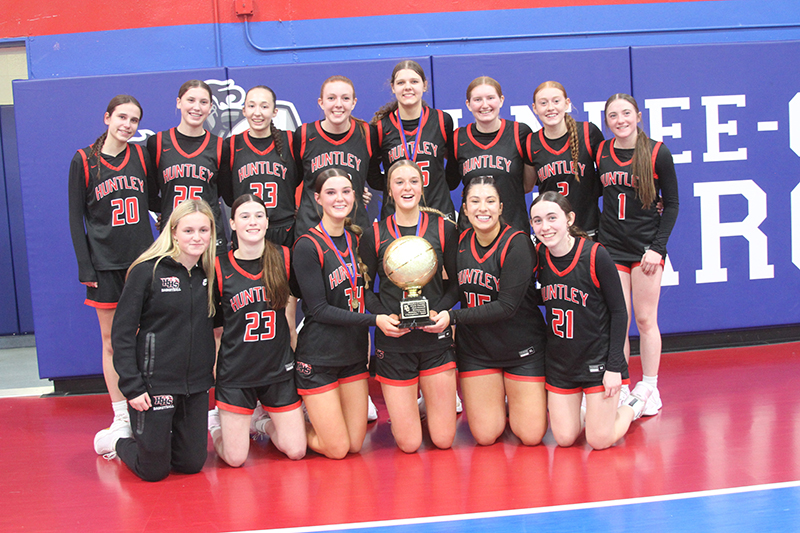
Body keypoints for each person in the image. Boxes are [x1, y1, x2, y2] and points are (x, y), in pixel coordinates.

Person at [94, 200, 217, 481]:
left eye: (203, 230)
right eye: (188, 231)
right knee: (153, 471)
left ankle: (160, 442)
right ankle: (115, 440)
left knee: (191, 464)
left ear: (212, 233)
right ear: (173, 232)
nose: (196, 237)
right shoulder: (147, 271)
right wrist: (133, 387)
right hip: (154, 385)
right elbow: (121, 335)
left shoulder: (209, 273)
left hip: (195, 386)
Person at [424, 176, 547, 446]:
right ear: (465, 209)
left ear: (501, 207)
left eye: (490, 201)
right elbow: (457, 288)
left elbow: (507, 306)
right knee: (485, 435)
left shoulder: (517, 243)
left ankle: (516, 399)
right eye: (475, 201)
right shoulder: (460, 241)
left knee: (530, 435)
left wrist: (451, 318)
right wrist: (434, 311)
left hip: (521, 348)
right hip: (478, 351)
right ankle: (500, 401)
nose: (483, 208)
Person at [69, 95, 159, 449]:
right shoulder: (84, 160)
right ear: (107, 117)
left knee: (146, 337)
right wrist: (84, 265)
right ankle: (120, 413)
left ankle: (150, 407)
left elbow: (156, 200)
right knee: (111, 343)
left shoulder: (140, 156)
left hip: (141, 263)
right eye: (122, 117)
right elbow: (76, 215)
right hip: (104, 265)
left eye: (134, 120)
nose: (127, 124)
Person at [292, 168, 395, 459]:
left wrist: (394, 314)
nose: (340, 198)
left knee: (354, 444)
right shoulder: (307, 245)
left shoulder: (356, 239)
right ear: (318, 199)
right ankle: (278, 424)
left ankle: (320, 421)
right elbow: (321, 310)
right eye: (331, 192)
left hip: (352, 356)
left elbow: (366, 296)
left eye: (346, 191)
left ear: (355, 196)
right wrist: (375, 321)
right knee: (336, 449)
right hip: (319, 357)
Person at [530, 191, 647, 450]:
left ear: (569, 218)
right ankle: (595, 413)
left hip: (597, 361)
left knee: (598, 440)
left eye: (552, 218)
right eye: (537, 221)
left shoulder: (595, 255)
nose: (545, 227)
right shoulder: (539, 255)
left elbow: (619, 312)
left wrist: (614, 367)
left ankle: (634, 404)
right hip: (561, 363)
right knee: (564, 438)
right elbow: (544, 296)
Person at [360, 160, 459, 453]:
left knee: (443, 440)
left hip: (434, 338)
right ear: (389, 189)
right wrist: (379, 317)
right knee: (409, 444)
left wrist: (441, 311)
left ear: (422, 186)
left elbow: (455, 284)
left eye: (413, 181)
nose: (407, 188)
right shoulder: (373, 234)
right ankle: (414, 407)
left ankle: (426, 401)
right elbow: (363, 288)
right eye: (399, 182)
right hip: (394, 342)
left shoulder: (443, 228)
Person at [596, 93, 679, 416]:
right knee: (621, 318)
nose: (620, 120)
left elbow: (671, 203)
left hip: (645, 249)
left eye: (626, 113)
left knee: (645, 319)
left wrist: (657, 248)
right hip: (612, 246)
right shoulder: (602, 151)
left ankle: (651, 386)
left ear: (638, 116)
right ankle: (623, 384)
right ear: (607, 121)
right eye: (613, 115)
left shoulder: (657, 152)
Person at [208, 195, 306, 466]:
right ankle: (216, 426)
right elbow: (216, 327)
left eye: (259, 215)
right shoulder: (218, 266)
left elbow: (299, 303)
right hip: (237, 373)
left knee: (296, 449)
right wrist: (217, 367)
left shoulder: (284, 258)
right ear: (232, 223)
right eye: (245, 216)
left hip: (277, 371)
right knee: (235, 458)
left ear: (267, 221)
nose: (253, 221)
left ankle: (261, 423)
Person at [218, 85, 300, 347]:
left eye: (264, 106)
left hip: (284, 232)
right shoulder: (232, 146)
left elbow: (301, 179)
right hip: (249, 235)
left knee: (286, 319)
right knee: (250, 313)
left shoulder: (289, 141)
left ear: (274, 111)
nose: (258, 112)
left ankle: (289, 377)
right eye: (251, 106)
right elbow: (229, 194)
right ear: (243, 110)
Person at [370, 60, 459, 220]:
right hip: (397, 215)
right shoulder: (381, 127)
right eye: (401, 82)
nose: (408, 87)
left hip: (437, 211)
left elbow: (453, 169)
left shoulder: (441, 120)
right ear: (393, 87)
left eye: (414, 81)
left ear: (424, 85)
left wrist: (440, 187)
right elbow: (373, 177)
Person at [293, 75, 379, 237]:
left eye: (345, 98)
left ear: (354, 103)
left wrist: (360, 190)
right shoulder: (304, 134)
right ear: (321, 102)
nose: (338, 104)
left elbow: (372, 178)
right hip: (313, 229)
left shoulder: (367, 134)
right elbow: (292, 181)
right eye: (331, 98)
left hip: (354, 228)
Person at [147, 79, 228, 253]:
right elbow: (150, 193)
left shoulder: (221, 146)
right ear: (179, 102)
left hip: (209, 236)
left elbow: (220, 191)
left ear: (210, 106)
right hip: (173, 236)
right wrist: (168, 211)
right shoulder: (158, 143)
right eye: (191, 100)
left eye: (203, 102)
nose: (197, 107)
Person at [453, 76, 536, 233]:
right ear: (468, 104)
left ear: (501, 100)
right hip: (471, 231)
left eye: (490, 98)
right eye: (477, 99)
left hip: (513, 228)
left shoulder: (520, 133)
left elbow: (526, 185)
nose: (485, 105)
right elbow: (451, 180)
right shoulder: (458, 138)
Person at [527, 81, 604, 236]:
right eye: (543, 103)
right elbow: (526, 186)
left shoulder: (588, 133)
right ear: (534, 108)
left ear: (567, 103)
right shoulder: (531, 142)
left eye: (556, 101)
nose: (550, 108)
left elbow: (611, 173)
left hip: (588, 230)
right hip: (552, 235)